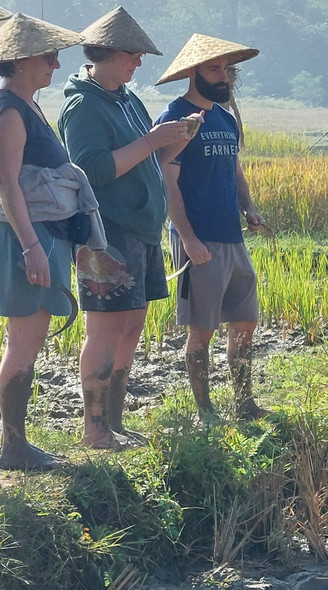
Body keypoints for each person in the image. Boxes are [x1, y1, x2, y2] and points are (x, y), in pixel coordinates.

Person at [58, 7, 194, 449]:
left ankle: (113, 422)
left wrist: (170, 142)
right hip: (107, 233)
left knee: (133, 322)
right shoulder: (83, 106)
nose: (139, 63)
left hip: (142, 228)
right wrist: (155, 140)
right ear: (108, 54)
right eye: (134, 55)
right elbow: (92, 170)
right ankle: (94, 428)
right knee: (106, 327)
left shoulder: (127, 99)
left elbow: (145, 157)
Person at [154, 33, 265, 423]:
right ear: (192, 73)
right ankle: (205, 411)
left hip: (232, 237)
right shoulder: (174, 118)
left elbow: (236, 174)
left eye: (226, 70)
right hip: (197, 239)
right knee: (202, 329)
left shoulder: (225, 119)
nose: (224, 78)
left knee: (246, 321)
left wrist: (249, 209)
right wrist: (187, 238)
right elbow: (167, 183)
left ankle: (244, 402)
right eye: (214, 69)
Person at [0, 14, 86, 470]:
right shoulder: (10, 109)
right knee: (24, 341)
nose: (56, 64)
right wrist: (32, 247)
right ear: (19, 60)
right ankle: (13, 444)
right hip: (28, 239)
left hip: (42, 236)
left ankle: (17, 440)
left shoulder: (28, 105)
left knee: (28, 340)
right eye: (48, 56)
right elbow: (8, 185)